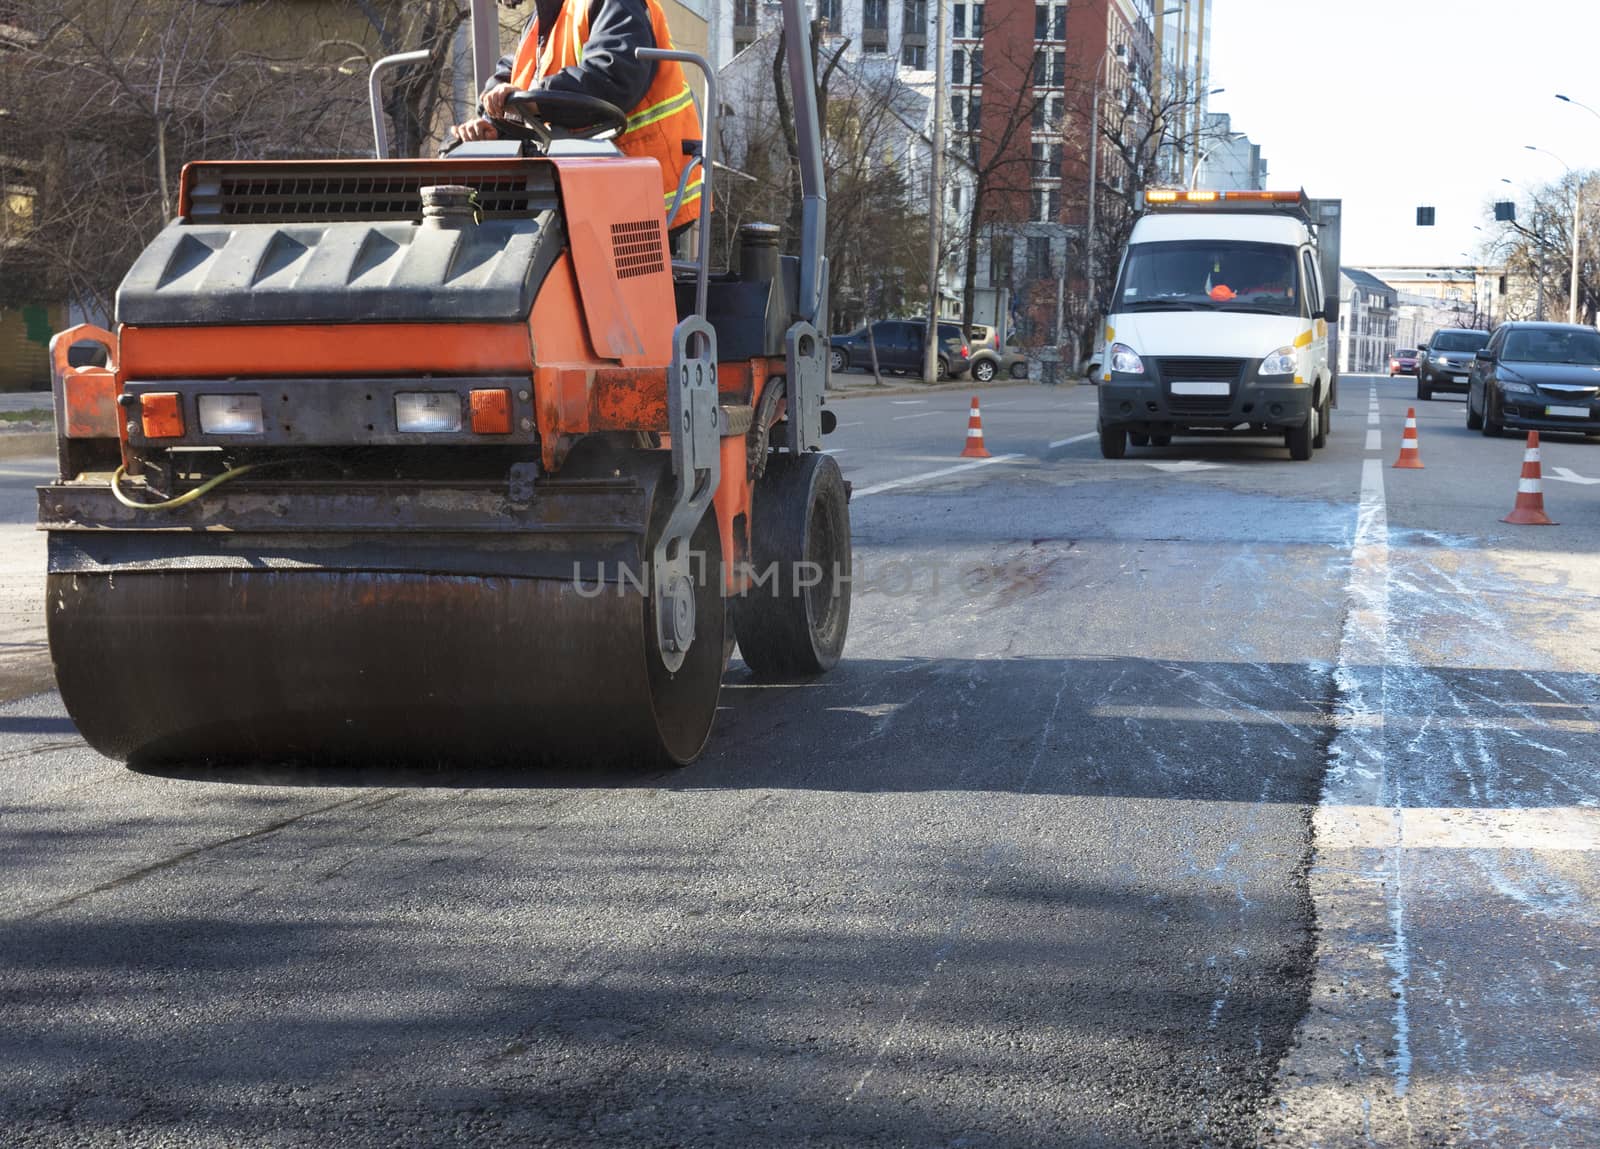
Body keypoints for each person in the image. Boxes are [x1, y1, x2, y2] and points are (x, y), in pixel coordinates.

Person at [450, 0, 705, 230]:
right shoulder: (544, 22)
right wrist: (494, 123)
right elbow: (516, 76)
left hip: (643, 198)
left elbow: (612, 78)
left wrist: (534, 100)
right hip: (585, 194)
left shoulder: (614, 5)